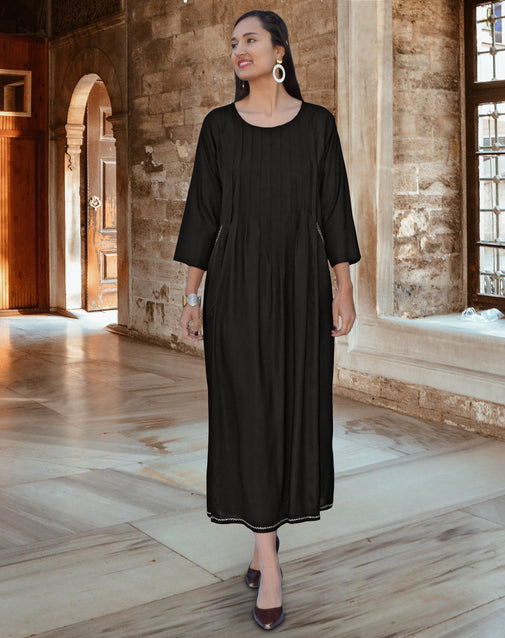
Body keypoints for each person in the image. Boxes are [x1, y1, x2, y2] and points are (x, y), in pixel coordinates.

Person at [174, 9, 360, 631]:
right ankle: (269, 562)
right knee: (249, 412)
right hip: (236, 289)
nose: (239, 50)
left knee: (291, 411)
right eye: (233, 43)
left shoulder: (319, 126)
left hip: (302, 289)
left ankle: (264, 536)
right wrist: (192, 295)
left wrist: (344, 289)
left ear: (279, 49)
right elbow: (203, 214)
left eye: (250, 40)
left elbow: (334, 211)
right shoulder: (219, 128)